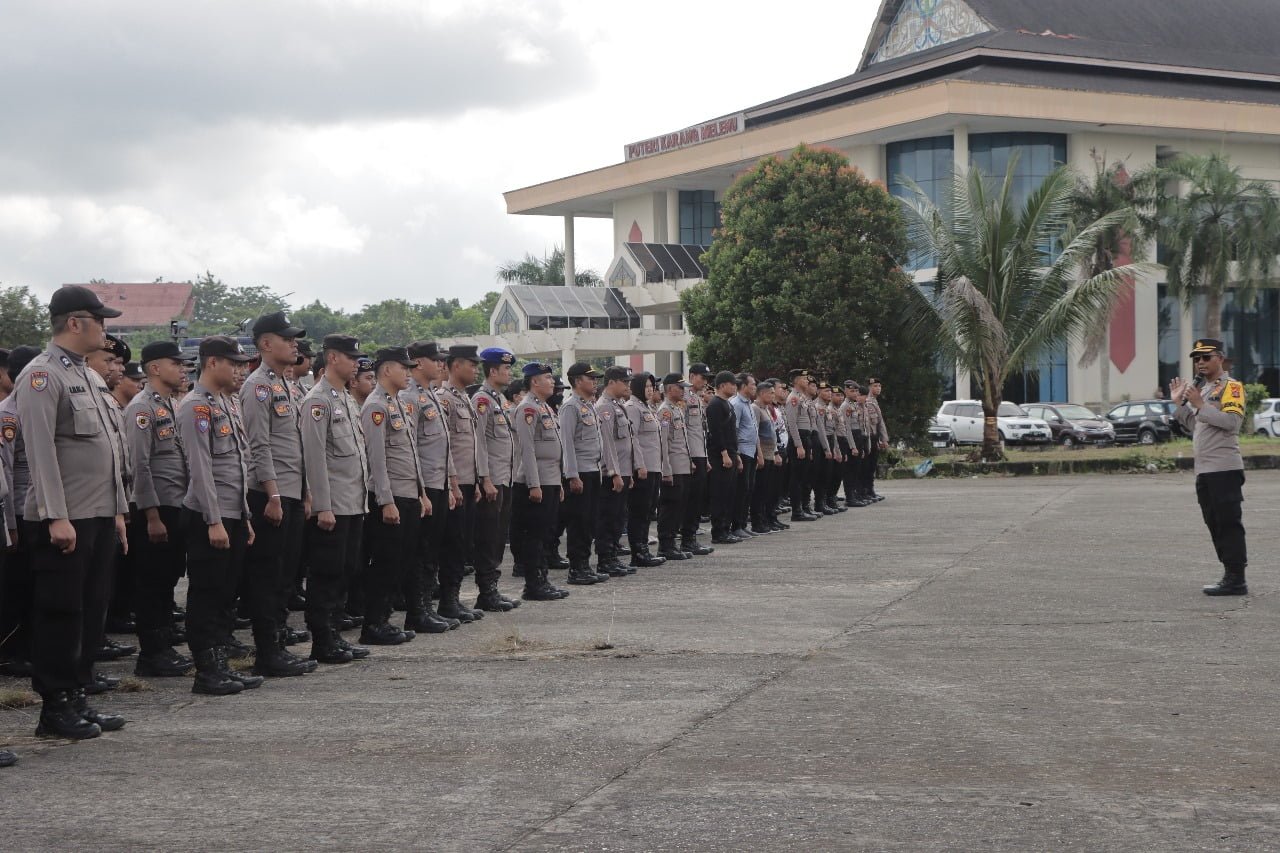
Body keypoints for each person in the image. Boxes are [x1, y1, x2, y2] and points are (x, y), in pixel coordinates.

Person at [16, 285, 129, 737]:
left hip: (98, 513)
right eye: (101, 320)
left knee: (91, 608)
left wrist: (118, 511)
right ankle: (55, 706)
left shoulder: (89, 375)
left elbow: (111, 450)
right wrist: (54, 515)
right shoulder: (42, 375)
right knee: (60, 612)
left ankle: (78, 695)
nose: (106, 328)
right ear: (76, 322)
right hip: (65, 518)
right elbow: (40, 451)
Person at [177, 335, 262, 696]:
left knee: (225, 594)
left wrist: (243, 517)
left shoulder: (226, 404)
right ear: (212, 363)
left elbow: (238, 467)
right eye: (234, 363)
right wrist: (213, 520)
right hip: (208, 517)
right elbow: (200, 469)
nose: (240, 370)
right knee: (207, 594)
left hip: (231, 514)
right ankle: (206, 671)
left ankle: (221, 664)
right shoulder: (195, 407)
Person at [238, 311, 315, 677]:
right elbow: (259, 444)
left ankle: (278, 642)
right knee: (268, 575)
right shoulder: (258, 386)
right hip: (271, 495)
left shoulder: (286, 385)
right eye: (287, 338)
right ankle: (266, 651)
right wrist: (271, 494)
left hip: (291, 492)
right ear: (266, 344)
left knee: (285, 573)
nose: (294, 343)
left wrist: (303, 491)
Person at [125, 342, 198, 677]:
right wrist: (151, 515)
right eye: (176, 363)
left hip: (175, 504)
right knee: (152, 582)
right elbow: (139, 466)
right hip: (156, 510)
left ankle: (164, 645)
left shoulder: (167, 404)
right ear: (154, 368)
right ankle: (152, 654)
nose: (183, 369)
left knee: (167, 580)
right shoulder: (142, 408)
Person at [300, 334, 372, 664]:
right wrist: (323, 506)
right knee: (326, 573)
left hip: (353, 501)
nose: (355, 361)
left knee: (346, 570)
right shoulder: (319, 400)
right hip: (333, 505)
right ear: (331, 358)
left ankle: (335, 635)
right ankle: (323, 639)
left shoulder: (344, 398)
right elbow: (314, 458)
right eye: (349, 356)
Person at [1170, 339, 1249, 596]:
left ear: (1220, 359)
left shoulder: (1231, 387)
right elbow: (1196, 426)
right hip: (1205, 470)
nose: (1200, 362)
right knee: (1214, 522)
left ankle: (1236, 578)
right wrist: (1180, 404)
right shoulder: (1201, 391)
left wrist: (1200, 405)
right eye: (1197, 359)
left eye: (1206, 357)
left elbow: (1231, 423)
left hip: (1224, 469)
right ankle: (1229, 573)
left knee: (1228, 523)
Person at [359, 347, 426, 645]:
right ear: (387, 370)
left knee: (401, 561)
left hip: (408, 493)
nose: (409, 373)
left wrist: (422, 493)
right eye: (404, 368)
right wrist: (386, 500)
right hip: (391, 497)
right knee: (385, 564)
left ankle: (384, 620)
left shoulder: (397, 404)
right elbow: (377, 459)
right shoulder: (375, 406)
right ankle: (374, 624)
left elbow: (411, 454)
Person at [400, 341, 460, 632]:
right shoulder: (409, 397)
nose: (440, 365)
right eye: (435, 360)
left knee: (432, 551)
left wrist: (451, 483)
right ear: (418, 363)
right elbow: (409, 447)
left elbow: (442, 445)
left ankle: (426, 608)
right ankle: (417, 611)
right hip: (422, 485)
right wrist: (422, 490)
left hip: (438, 483)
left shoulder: (430, 395)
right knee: (419, 552)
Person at [468, 347, 525, 609]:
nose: (509, 373)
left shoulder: (499, 400)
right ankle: (486, 592)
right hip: (492, 480)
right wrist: (485, 478)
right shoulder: (482, 400)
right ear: (493, 371)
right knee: (488, 537)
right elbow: (478, 441)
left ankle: (492, 587)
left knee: (499, 535)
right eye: (506, 369)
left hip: (505, 477)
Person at [436, 344, 488, 622]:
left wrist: (477, 480)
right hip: (454, 484)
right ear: (455, 365)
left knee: (463, 544)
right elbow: (443, 447)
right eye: (471, 363)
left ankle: (454, 599)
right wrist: (452, 483)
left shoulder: (464, 398)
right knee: (452, 544)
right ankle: (446, 601)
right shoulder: (444, 398)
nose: (476, 368)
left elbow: (472, 446)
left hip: (468, 482)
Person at [511, 362, 569, 601]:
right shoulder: (527, 409)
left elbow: (554, 449)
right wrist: (534, 484)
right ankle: (533, 585)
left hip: (550, 480)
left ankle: (542, 580)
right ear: (534, 381)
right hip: (536, 483)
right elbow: (527, 450)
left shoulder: (544, 407)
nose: (552, 381)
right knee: (535, 535)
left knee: (546, 533)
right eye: (547, 378)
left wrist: (558, 483)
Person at [0, 346, 40, 680]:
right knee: (15, 587)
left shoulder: (32, 410)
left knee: (33, 586)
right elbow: (7, 476)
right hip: (16, 514)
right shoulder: (8, 415)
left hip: (36, 512)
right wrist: (9, 526)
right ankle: (11, 653)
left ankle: (28, 648)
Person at [559, 362, 609, 585]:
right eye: (591, 379)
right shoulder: (570, 407)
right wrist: (571, 475)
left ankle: (585, 565)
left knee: (589, 521)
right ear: (578, 381)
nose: (595, 382)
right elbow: (566, 443)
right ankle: (576, 568)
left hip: (592, 470)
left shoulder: (588, 406)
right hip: (579, 472)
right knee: (578, 522)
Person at [594, 367, 635, 578]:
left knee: (619, 516)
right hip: (612, 473)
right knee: (608, 517)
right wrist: (615, 473)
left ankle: (613, 557)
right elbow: (607, 444)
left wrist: (629, 472)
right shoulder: (604, 408)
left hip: (623, 470)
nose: (628, 385)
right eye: (624, 381)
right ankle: (605, 559)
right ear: (611, 382)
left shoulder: (617, 406)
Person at [623, 373, 665, 568]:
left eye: (652, 386)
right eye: (647, 386)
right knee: (639, 511)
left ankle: (644, 549)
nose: (650, 389)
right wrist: (639, 465)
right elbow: (633, 439)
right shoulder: (632, 408)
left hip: (654, 466)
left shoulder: (647, 407)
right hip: (643, 468)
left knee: (648, 510)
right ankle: (638, 552)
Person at [656, 373, 694, 561]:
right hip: (672, 467)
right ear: (670, 389)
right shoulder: (665, 411)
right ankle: (665, 544)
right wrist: (666, 469)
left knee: (680, 506)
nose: (683, 390)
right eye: (680, 387)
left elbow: (682, 440)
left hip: (683, 465)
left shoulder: (677, 409)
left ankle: (672, 543)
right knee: (670, 507)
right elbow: (663, 443)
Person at [706, 370, 740, 544]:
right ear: (722, 386)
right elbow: (716, 432)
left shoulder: (728, 404)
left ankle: (726, 529)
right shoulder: (715, 405)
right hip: (720, 456)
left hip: (731, 453)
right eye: (732, 383)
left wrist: (736, 455)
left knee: (729, 494)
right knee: (719, 495)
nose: (735, 386)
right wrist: (724, 453)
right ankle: (718, 532)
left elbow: (732, 432)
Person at [681, 363, 712, 555]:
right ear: (692, 376)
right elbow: (682, 431)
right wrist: (689, 457)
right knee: (690, 499)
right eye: (702, 377)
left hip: (700, 453)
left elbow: (700, 430)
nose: (705, 381)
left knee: (697, 499)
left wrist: (705, 456)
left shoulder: (696, 399)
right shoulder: (683, 398)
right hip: (690, 455)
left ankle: (691, 537)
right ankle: (686, 539)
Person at [729, 373, 762, 539]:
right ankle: (736, 526)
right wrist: (736, 454)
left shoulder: (748, 403)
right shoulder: (736, 404)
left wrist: (758, 453)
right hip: (742, 451)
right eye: (753, 384)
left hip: (751, 451)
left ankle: (742, 524)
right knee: (741, 490)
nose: (755, 387)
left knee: (748, 489)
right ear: (743, 386)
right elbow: (733, 431)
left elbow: (753, 430)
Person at [784, 371, 817, 522]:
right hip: (799, 439)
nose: (807, 380)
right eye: (804, 378)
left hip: (806, 437)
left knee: (804, 477)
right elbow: (792, 423)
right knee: (796, 478)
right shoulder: (793, 398)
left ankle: (804, 508)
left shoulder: (802, 398)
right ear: (796, 380)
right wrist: (799, 445)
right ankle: (796, 511)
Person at [752, 380, 783, 534]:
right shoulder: (755, 408)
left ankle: (768, 519)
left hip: (771, 453)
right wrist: (759, 455)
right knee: (760, 490)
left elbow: (773, 433)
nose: (773, 395)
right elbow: (755, 434)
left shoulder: (766, 409)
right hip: (763, 453)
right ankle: (758, 522)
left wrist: (776, 452)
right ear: (762, 393)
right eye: (770, 392)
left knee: (768, 490)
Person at [864, 378, 888, 503]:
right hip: (869, 438)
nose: (878, 388)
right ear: (869, 387)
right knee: (867, 466)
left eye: (879, 385)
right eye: (875, 386)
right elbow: (868, 425)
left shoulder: (875, 402)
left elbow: (880, 423)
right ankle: (865, 491)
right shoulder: (867, 402)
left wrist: (883, 439)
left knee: (872, 466)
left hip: (874, 438)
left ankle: (870, 490)